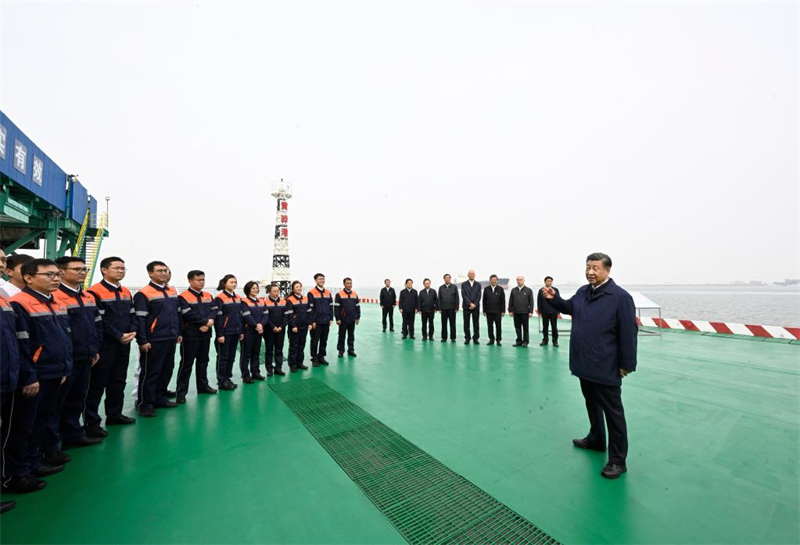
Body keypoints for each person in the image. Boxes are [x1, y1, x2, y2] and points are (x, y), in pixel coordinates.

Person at [541, 252, 638, 479]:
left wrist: (627, 364)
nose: (590, 272)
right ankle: (596, 439)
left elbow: (629, 332)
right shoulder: (584, 292)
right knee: (591, 403)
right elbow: (569, 308)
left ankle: (617, 460)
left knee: (613, 413)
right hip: (584, 362)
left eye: (595, 268)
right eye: (587, 267)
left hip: (606, 365)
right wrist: (554, 299)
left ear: (607, 270)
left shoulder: (620, 297)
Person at [7, 259, 71, 485]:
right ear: (29, 278)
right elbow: (21, 345)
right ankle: (18, 472)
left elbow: (64, 338)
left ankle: (34, 463)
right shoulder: (20, 304)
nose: (56, 278)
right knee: (24, 425)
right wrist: (29, 376)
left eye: (57, 274)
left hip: (55, 370)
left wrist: (65, 366)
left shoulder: (56, 302)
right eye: (49, 275)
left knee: (43, 420)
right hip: (37, 374)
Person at [53, 257, 103, 451]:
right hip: (67, 359)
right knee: (58, 401)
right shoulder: (56, 297)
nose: (83, 273)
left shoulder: (87, 296)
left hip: (86, 355)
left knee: (77, 398)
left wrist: (95, 349)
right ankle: (51, 443)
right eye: (77, 269)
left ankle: (73, 434)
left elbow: (97, 324)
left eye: (85, 269)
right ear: (62, 272)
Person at [85, 257, 137, 435]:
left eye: (123, 268)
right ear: (104, 270)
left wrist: (132, 331)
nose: (121, 271)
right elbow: (100, 320)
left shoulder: (125, 291)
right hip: (105, 344)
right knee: (97, 384)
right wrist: (118, 335)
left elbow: (132, 313)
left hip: (124, 343)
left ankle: (114, 414)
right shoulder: (94, 292)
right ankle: (91, 423)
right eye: (116, 268)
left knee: (118, 381)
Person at [0, 247, 35, 502]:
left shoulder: (4, 298)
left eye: (3, 259)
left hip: (7, 377)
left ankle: (9, 476)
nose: (2, 263)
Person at [133, 261, 182, 416]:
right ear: (150, 273)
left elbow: (177, 314)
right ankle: (144, 403)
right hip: (154, 339)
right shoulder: (143, 293)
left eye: (165, 271)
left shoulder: (172, 291)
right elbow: (140, 319)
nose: (164, 273)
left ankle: (160, 398)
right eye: (160, 271)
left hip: (170, 337)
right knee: (150, 372)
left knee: (167, 369)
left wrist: (178, 332)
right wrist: (143, 340)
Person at [176, 270, 219, 403]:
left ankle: (203, 386)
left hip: (205, 334)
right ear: (190, 280)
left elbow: (214, 310)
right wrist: (205, 322)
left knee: (203, 361)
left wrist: (209, 323)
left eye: (203, 280)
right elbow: (187, 314)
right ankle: (181, 393)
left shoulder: (208, 295)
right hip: (190, 335)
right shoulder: (183, 297)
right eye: (198, 280)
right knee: (186, 364)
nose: (201, 282)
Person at [214, 274, 247, 389]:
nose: (233, 284)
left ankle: (227, 378)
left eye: (235, 282)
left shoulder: (238, 297)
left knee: (231, 357)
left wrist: (241, 331)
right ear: (224, 283)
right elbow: (218, 317)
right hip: (225, 333)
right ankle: (222, 380)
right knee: (223, 357)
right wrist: (220, 334)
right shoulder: (220, 298)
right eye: (231, 282)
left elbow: (241, 316)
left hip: (236, 332)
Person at [239, 281, 266, 383]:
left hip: (258, 331)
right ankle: (245, 375)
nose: (255, 290)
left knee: (256, 352)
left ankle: (255, 372)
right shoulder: (244, 301)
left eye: (256, 288)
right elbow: (247, 316)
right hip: (248, 331)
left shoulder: (261, 301)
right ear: (248, 290)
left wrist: (261, 325)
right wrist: (256, 325)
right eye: (253, 288)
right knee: (246, 354)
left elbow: (265, 314)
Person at [285, 281, 312, 373]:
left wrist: (310, 323)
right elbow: (289, 314)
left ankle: (300, 363)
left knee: (301, 345)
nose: (299, 288)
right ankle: (292, 364)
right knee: (294, 346)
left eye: (300, 286)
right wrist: (293, 326)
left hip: (304, 326)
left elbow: (309, 312)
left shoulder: (305, 298)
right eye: (297, 287)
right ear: (293, 289)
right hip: (295, 327)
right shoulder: (290, 299)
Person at [307, 273, 334, 366]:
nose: (322, 280)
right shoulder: (311, 293)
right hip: (316, 322)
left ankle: (321, 356)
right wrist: (312, 321)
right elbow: (310, 309)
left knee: (324, 340)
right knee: (315, 340)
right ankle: (314, 358)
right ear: (315, 280)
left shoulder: (328, 292)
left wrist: (331, 318)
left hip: (326, 320)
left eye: (323, 279)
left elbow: (331, 306)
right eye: (320, 279)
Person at [263, 284, 288, 375]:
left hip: (281, 330)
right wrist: (273, 327)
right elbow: (266, 317)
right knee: (269, 350)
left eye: (278, 291)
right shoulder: (265, 302)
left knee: (279, 349)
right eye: (274, 291)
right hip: (269, 330)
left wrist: (281, 326)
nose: (276, 293)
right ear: (269, 291)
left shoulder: (283, 301)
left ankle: (278, 368)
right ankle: (269, 369)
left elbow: (286, 316)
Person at [335, 277, 361, 357]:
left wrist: (357, 317)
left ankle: (351, 350)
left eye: (350, 283)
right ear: (344, 284)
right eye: (348, 283)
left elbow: (357, 306)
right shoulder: (339, 294)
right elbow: (336, 307)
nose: (349, 285)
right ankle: (341, 351)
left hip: (352, 319)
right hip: (343, 319)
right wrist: (338, 318)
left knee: (351, 335)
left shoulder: (354, 294)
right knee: (341, 335)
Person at [508, 276, 534, 347]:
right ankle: (519, 341)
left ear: (524, 280)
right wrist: (510, 310)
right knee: (517, 328)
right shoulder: (513, 290)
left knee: (525, 328)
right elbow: (511, 301)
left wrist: (531, 311)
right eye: (518, 280)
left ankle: (525, 341)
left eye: (520, 280)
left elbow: (531, 302)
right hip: (516, 312)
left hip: (525, 313)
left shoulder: (528, 290)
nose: (519, 281)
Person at [482, 274, 506, 346]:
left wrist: (503, 311)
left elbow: (503, 301)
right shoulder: (486, 289)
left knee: (498, 326)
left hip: (498, 311)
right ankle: (491, 339)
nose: (494, 281)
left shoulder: (500, 289)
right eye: (492, 280)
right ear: (490, 280)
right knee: (490, 326)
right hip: (489, 311)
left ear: (497, 281)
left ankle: (498, 340)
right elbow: (484, 300)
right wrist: (484, 310)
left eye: (495, 280)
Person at [537, 276, 560, 347]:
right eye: (547, 281)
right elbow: (539, 301)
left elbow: (559, 300)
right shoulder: (541, 290)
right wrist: (540, 311)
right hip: (544, 312)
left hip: (553, 312)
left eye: (550, 281)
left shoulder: (555, 290)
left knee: (554, 327)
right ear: (545, 282)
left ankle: (555, 341)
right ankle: (545, 340)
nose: (549, 282)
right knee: (545, 327)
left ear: (552, 282)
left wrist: (558, 311)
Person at [461, 270, 481, 344]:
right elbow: (463, 295)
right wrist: (470, 303)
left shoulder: (478, 284)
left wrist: (474, 304)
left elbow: (479, 295)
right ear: (468, 275)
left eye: (473, 274)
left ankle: (476, 338)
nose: (472, 275)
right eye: (470, 274)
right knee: (466, 323)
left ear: (475, 275)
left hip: (476, 307)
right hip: (466, 307)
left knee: (476, 323)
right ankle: (467, 338)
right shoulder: (464, 284)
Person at [437, 274, 459, 343]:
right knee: (444, 324)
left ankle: (453, 337)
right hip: (443, 309)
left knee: (452, 324)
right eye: (446, 278)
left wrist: (456, 307)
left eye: (448, 278)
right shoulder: (441, 287)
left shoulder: (454, 287)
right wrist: (439, 308)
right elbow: (439, 298)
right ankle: (444, 337)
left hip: (452, 308)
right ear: (444, 279)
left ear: (450, 279)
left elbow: (457, 298)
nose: (447, 279)